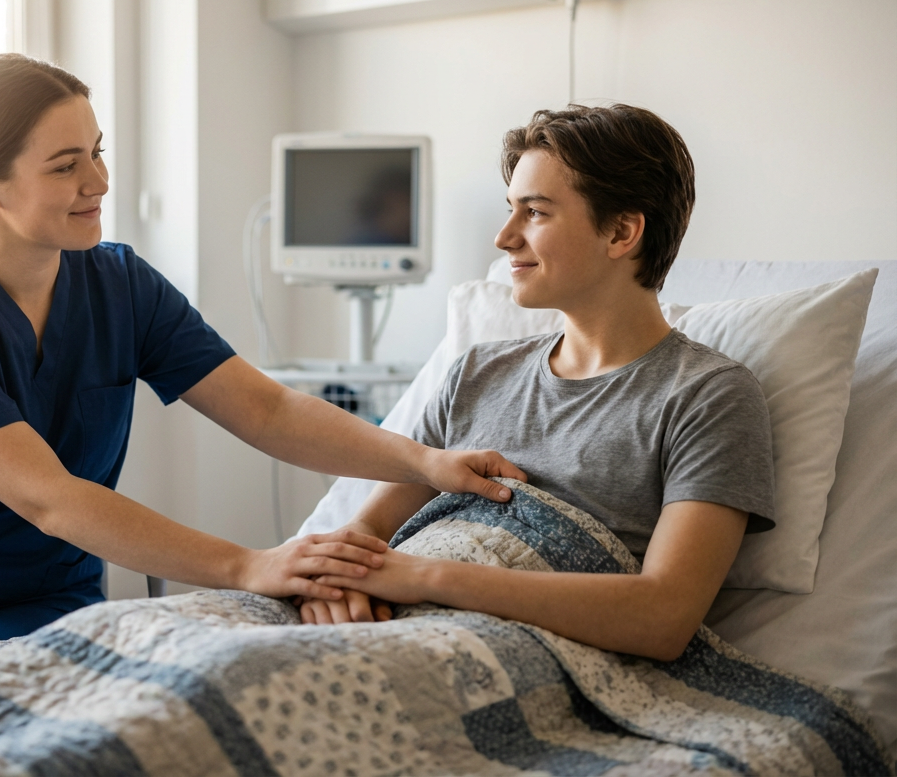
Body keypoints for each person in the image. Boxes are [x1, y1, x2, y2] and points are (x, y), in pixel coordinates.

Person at [0, 54, 523, 679]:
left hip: (36, 593)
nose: (98, 183)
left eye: (97, 152)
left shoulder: (120, 284)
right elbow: (51, 500)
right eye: (66, 166)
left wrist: (427, 462)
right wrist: (247, 565)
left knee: (6, 741)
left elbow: (264, 409)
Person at [300, 104, 776, 663]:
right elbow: (367, 539)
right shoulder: (476, 374)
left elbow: (663, 616)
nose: (504, 238)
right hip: (380, 626)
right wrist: (334, 587)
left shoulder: (707, 396)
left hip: (505, 657)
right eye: (510, 210)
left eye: (536, 213)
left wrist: (425, 577)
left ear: (622, 232)